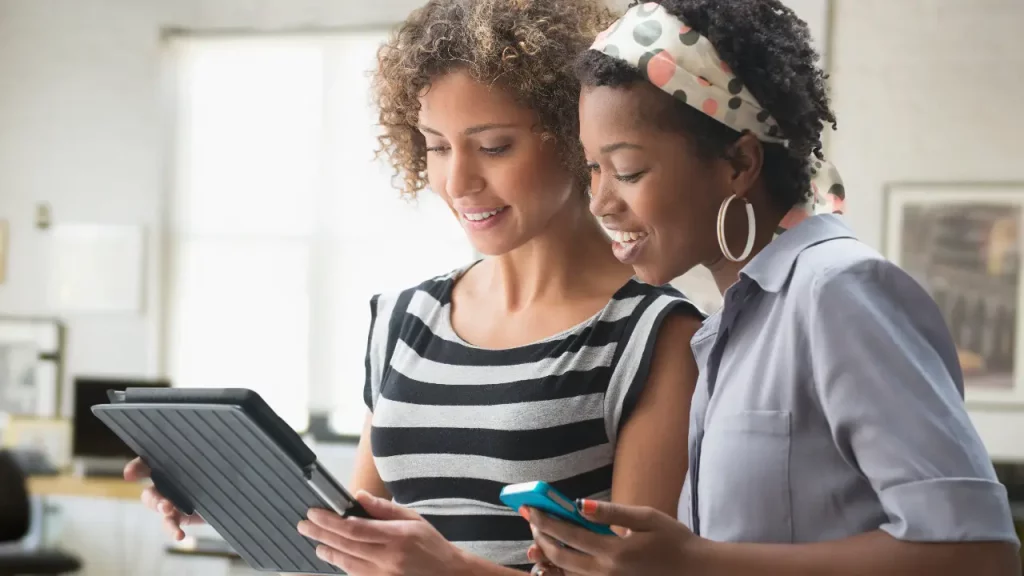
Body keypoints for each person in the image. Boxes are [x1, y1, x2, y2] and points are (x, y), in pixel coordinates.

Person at [125, 0, 706, 574]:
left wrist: (449, 570)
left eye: (495, 146)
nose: (458, 181)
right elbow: (355, 547)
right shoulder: (406, 320)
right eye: (436, 145)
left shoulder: (655, 336)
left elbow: (639, 572)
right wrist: (226, 501)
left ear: (577, 133)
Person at [524, 0, 1023, 575]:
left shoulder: (838, 290)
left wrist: (698, 565)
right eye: (593, 169)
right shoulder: (731, 326)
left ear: (740, 162)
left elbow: (980, 553)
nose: (601, 203)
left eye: (629, 170)